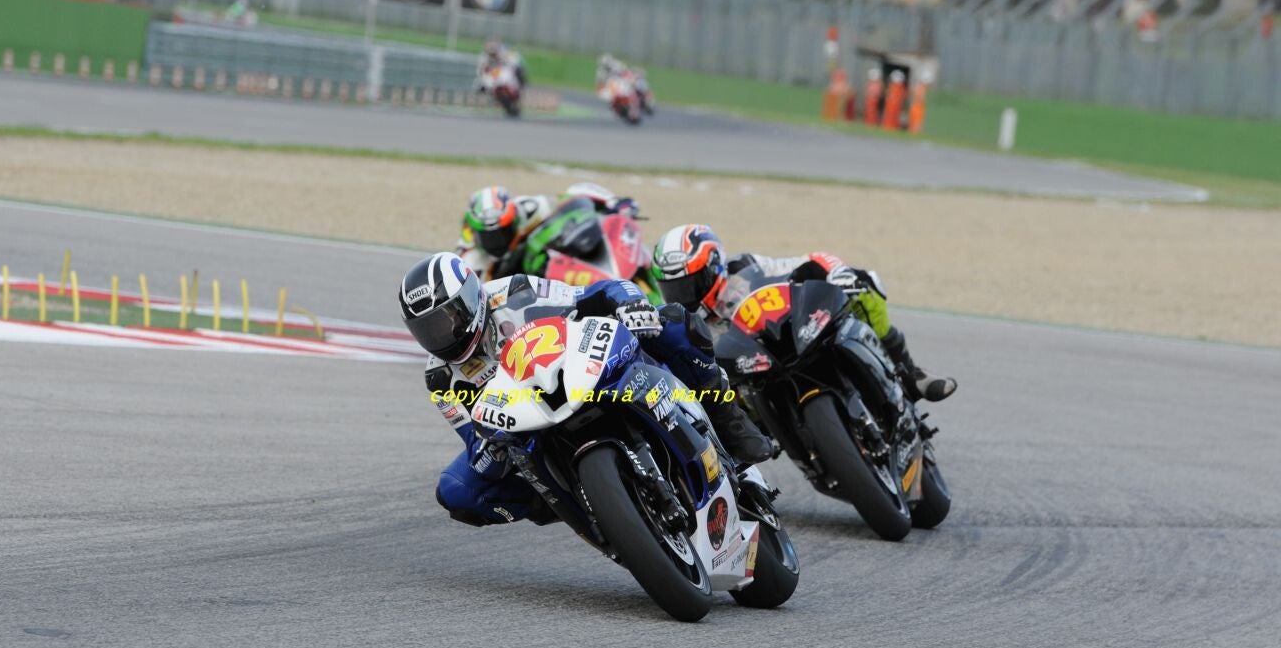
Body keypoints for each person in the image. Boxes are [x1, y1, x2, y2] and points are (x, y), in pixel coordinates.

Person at [399, 252, 772, 526]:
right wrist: (491, 446)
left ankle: (727, 418)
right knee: (457, 490)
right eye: (427, 329)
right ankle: (573, 504)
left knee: (673, 321)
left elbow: (594, 295)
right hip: (526, 427)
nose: (441, 335)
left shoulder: (514, 293)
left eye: (446, 320)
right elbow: (474, 440)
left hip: (579, 374)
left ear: (470, 300)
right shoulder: (440, 377)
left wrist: (629, 303)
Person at [651, 225, 957, 403]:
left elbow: (810, 261)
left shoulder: (743, 268)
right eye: (673, 288)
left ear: (714, 265)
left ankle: (910, 373)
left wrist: (838, 273)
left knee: (864, 287)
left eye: (690, 283)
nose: (683, 295)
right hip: (752, 386)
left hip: (793, 338)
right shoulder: (689, 324)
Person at [457, 183, 640, 280]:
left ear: (514, 218)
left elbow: (571, 196)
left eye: (503, 231)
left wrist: (610, 202)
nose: (498, 240)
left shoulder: (527, 208)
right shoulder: (470, 257)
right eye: (489, 237)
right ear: (474, 232)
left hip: (544, 260)